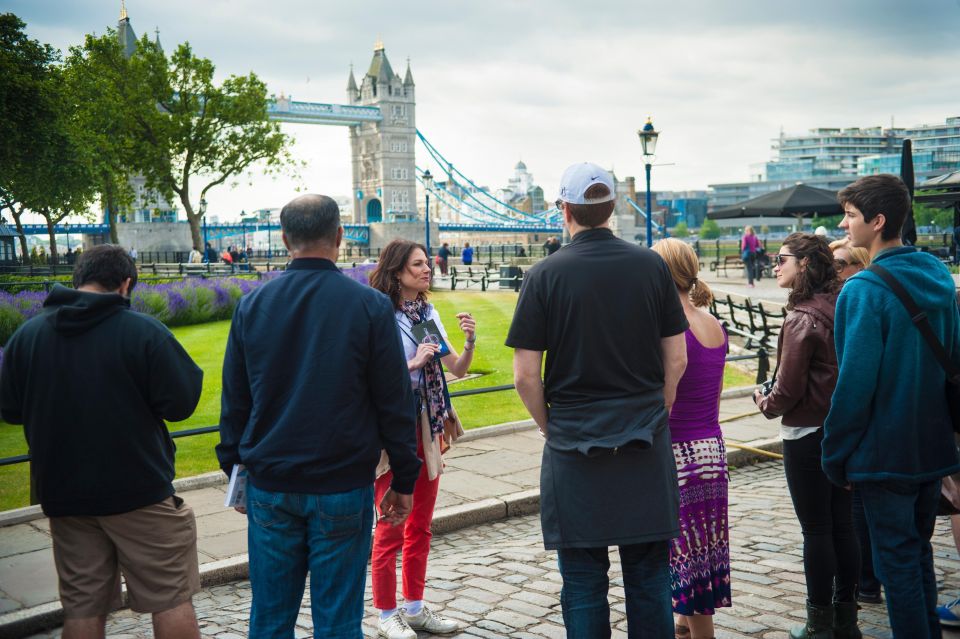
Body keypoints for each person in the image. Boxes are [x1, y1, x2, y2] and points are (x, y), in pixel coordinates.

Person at [216, 194, 422, 638]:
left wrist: (233, 468)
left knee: (270, 619)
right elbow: (394, 402)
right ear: (340, 237)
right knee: (338, 622)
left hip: (273, 480)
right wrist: (404, 479)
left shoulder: (253, 306)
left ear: (286, 239)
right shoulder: (368, 307)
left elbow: (235, 399)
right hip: (341, 482)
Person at [507, 162, 688, 637]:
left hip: (574, 443)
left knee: (584, 583)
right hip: (644, 438)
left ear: (564, 210)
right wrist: (661, 408)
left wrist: (550, 425)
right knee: (649, 578)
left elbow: (525, 376)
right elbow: (678, 360)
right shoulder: (651, 265)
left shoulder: (545, 274)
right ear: (610, 209)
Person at [0, 244, 204, 639]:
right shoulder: (144, 332)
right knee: (171, 598)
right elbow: (181, 403)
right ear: (126, 283)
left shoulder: (28, 335)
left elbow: (9, 410)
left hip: (64, 493)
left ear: (78, 280)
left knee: (81, 607)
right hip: (139, 491)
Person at [822, 174, 960, 639]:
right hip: (933, 444)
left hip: (885, 453)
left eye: (851, 216)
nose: (843, 224)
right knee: (917, 556)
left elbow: (854, 387)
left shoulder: (863, 290)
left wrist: (834, 454)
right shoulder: (938, 274)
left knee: (896, 565)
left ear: (877, 222)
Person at [367, 239, 476, 638]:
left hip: (427, 424)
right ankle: (385, 613)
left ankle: (413, 607)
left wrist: (468, 341)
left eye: (427, 263)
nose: (427, 269)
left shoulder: (423, 312)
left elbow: (458, 369)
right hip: (392, 427)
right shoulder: (381, 314)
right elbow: (371, 374)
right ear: (397, 271)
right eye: (418, 265)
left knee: (421, 523)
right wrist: (413, 363)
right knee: (391, 523)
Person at [753, 232, 856, 639]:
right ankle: (846, 621)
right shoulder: (842, 303)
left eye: (781, 259)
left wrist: (764, 399)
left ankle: (820, 623)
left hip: (807, 432)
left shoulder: (801, 318)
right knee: (843, 526)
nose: (775, 266)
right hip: (841, 427)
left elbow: (788, 390)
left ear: (806, 265)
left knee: (816, 528)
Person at [652, 239, 731, 639]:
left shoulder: (667, 327)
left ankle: (700, 630)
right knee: (705, 546)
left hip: (678, 451)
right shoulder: (712, 323)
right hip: (711, 449)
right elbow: (712, 396)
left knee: (687, 555)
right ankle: (684, 622)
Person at [828, 237, 878, 606]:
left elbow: (855, 377)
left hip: (868, 425)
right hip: (852, 420)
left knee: (858, 510)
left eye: (841, 265)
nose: (834, 272)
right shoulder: (836, 301)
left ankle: (866, 582)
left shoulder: (859, 296)